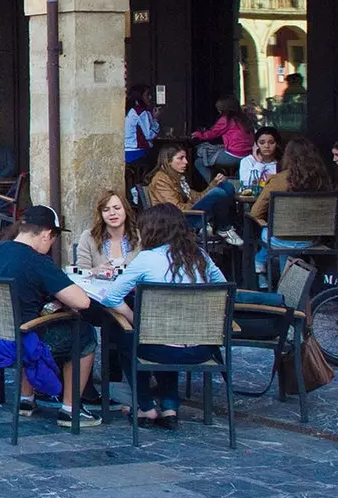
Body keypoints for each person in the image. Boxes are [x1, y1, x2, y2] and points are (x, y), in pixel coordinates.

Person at [0, 205, 100, 428]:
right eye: (53, 240)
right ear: (47, 234)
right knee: (84, 334)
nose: (50, 246)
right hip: (17, 341)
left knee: (29, 326)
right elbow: (82, 302)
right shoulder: (37, 261)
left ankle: (26, 400)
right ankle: (71, 410)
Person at [98, 204, 228, 428]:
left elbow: (110, 297)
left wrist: (133, 318)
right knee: (165, 336)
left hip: (157, 348)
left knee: (128, 338)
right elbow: (223, 288)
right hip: (201, 349)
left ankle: (146, 407)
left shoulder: (146, 259)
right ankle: (169, 406)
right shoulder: (201, 257)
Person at [251, 138, 334, 279]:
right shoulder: (323, 180)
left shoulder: (279, 180)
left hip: (281, 239)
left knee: (268, 232)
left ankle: (270, 278)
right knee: (284, 240)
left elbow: (255, 212)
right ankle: (292, 287)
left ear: (287, 157)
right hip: (311, 239)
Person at [145, 144, 240, 244]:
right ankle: (224, 228)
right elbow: (175, 208)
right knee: (217, 193)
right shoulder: (161, 180)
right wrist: (200, 205)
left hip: (188, 214)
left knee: (226, 186)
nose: (186, 162)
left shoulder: (177, 177)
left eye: (185, 158)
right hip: (175, 221)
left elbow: (197, 197)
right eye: (180, 158)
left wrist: (213, 184)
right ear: (168, 161)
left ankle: (226, 226)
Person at [73, 189, 140, 278]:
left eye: (117, 208)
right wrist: (94, 271)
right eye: (106, 210)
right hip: (96, 289)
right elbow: (80, 273)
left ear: (126, 210)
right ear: (101, 214)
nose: (112, 213)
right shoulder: (88, 237)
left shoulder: (141, 237)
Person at [191, 96, 255, 182]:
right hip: (248, 155)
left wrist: (199, 135)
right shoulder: (244, 119)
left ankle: (213, 185)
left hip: (234, 154)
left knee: (200, 161)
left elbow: (213, 133)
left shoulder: (226, 119)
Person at [124, 88, 156, 165]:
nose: (150, 97)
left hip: (125, 151)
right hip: (138, 152)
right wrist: (155, 120)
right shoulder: (140, 112)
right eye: (147, 95)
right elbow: (149, 135)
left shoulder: (126, 111)